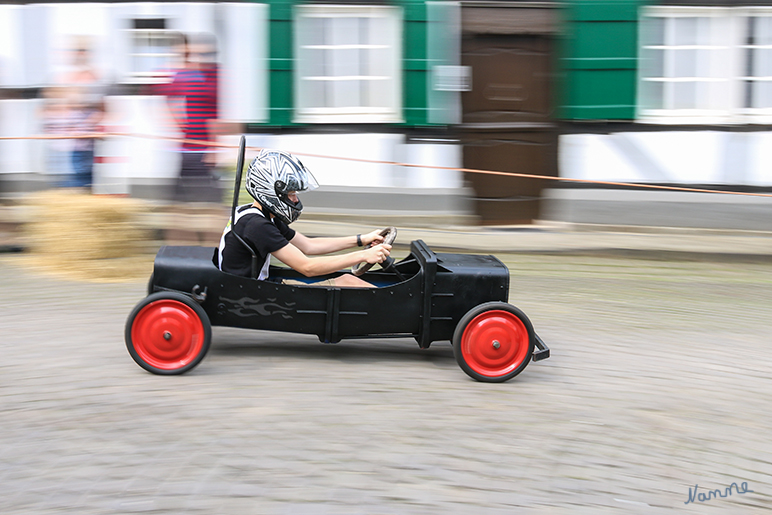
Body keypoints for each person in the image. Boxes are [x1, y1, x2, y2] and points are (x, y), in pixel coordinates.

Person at [217, 149, 391, 288]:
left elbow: (309, 245)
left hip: (253, 289)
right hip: (252, 297)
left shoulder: (258, 214)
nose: (295, 199)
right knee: (349, 281)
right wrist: (364, 256)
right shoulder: (257, 225)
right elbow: (307, 267)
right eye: (291, 194)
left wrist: (362, 240)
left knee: (347, 279)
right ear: (270, 193)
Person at [163, 33, 220, 203]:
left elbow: (218, 113)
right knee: (183, 197)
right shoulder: (185, 74)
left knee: (205, 197)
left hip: (207, 146)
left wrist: (214, 147)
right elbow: (169, 100)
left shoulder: (216, 74)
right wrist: (181, 125)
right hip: (189, 145)